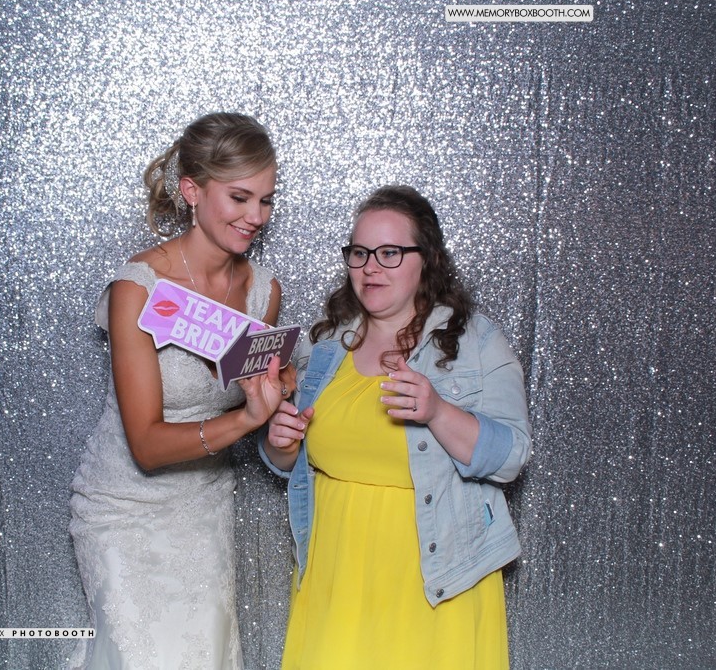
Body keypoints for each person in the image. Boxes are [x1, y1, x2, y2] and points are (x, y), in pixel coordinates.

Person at [261, 185, 531, 669]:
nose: (370, 267)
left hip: (434, 580)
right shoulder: (326, 346)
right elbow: (291, 461)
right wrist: (281, 442)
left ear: (427, 259)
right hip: (337, 572)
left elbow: (511, 457)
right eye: (360, 253)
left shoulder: (475, 343)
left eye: (389, 253)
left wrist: (438, 411)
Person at [69, 112, 290, 670]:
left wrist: (276, 391)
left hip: (203, 509)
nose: (256, 216)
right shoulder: (139, 288)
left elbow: (251, 392)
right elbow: (146, 445)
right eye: (239, 198)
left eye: (266, 200)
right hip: (124, 510)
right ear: (192, 191)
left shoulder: (262, 294)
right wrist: (247, 419)